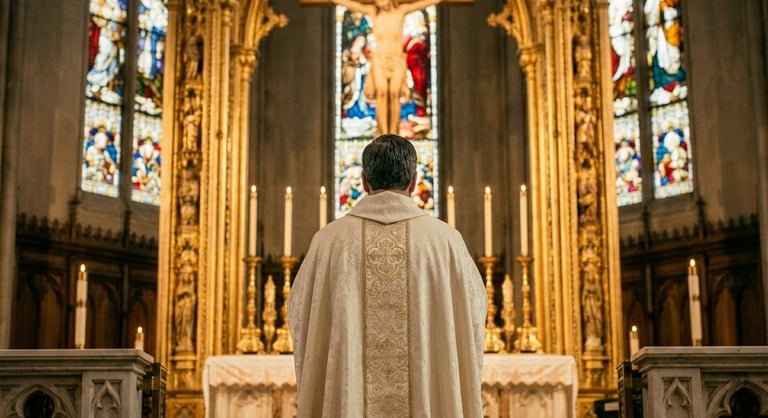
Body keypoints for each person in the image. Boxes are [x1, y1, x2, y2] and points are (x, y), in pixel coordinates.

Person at [289, 134, 486, 417]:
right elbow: (474, 311)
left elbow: (300, 313)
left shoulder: (329, 242)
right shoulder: (444, 242)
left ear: (364, 181)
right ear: (415, 180)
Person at [329, 0, 443, 136]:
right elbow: (355, 5)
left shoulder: (401, 10)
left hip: (396, 60)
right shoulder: (373, 12)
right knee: (381, 95)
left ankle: (393, 133)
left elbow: (420, 4)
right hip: (380, 60)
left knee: (395, 95)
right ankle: (382, 133)